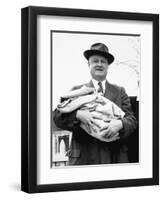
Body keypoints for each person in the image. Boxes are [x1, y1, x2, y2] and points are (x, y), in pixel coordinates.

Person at [53, 43, 137, 165]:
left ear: (108, 66)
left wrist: (120, 124)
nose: (99, 64)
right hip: (84, 160)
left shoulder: (120, 91)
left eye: (103, 61)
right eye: (95, 61)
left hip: (115, 159)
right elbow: (57, 117)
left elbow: (132, 121)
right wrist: (78, 115)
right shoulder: (77, 90)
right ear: (89, 64)